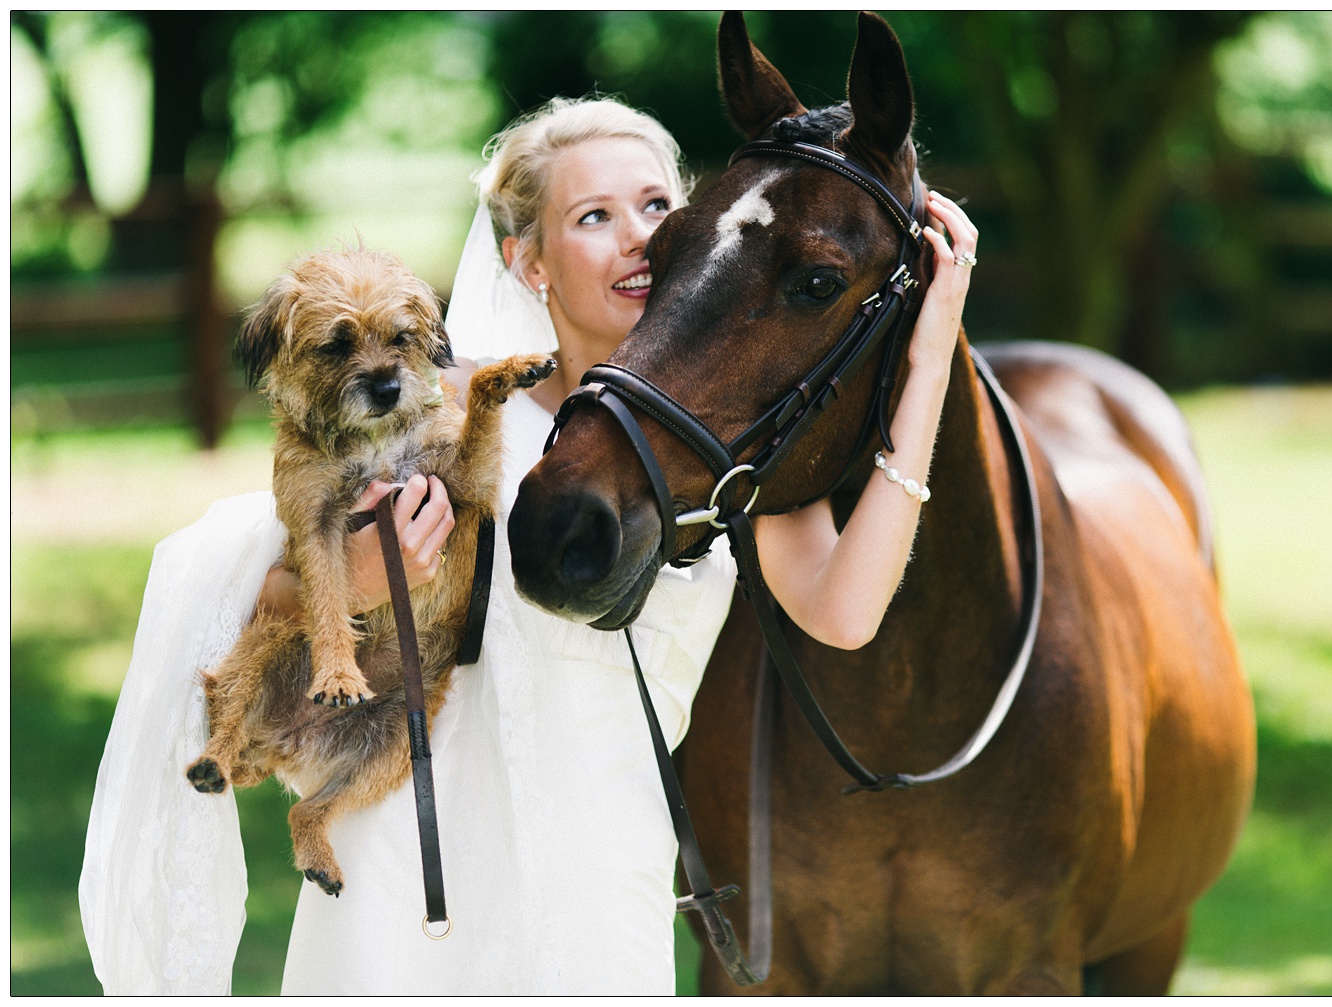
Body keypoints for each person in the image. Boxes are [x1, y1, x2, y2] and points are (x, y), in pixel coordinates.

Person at [80, 95, 977, 995]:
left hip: (600, 911)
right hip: (407, 898)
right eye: (594, 216)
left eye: (656, 206)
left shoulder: (718, 439)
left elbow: (844, 610)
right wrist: (354, 583)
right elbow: (262, 594)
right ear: (526, 260)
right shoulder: (437, 410)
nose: (635, 237)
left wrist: (932, 350)